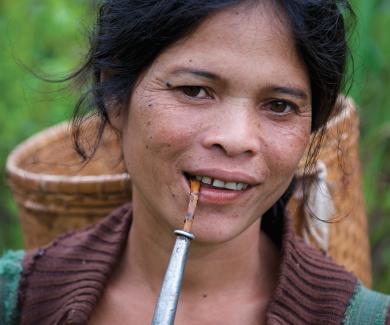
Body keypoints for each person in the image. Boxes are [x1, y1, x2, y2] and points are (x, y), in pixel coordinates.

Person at [1, 0, 390, 324]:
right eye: (194, 90)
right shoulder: (17, 302)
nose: (237, 139)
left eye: (279, 105)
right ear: (116, 98)